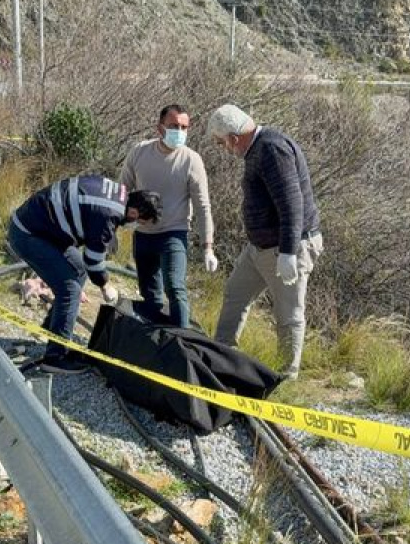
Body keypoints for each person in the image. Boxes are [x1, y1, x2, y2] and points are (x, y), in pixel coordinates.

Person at [206, 104, 323, 380]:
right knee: (236, 293)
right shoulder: (257, 149)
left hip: (285, 247)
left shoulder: (271, 149)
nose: (224, 149)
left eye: (222, 143)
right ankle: (221, 354)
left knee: (288, 314)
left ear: (234, 138)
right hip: (259, 248)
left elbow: (291, 203)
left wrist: (288, 252)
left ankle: (286, 377)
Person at [8, 175, 162, 374]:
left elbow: (89, 253)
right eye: (140, 222)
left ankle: (52, 329)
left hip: (44, 229)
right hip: (28, 234)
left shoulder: (118, 193)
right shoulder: (108, 215)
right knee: (70, 289)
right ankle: (55, 358)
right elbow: (93, 262)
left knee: (78, 271)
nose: (136, 226)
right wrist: (105, 286)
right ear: (134, 212)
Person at [119, 104, 217, 327]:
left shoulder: (192, 160)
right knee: (149, 292)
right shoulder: (139, 152)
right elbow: (122, 190)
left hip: (174, 233)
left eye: (184, 127)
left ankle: (183, 339)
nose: (179, 131)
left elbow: (202, 205)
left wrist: (208, 247)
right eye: (174, 126)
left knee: (175, 287)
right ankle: (155, 339)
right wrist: (122, 220)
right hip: (142, 234)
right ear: (160, 128)